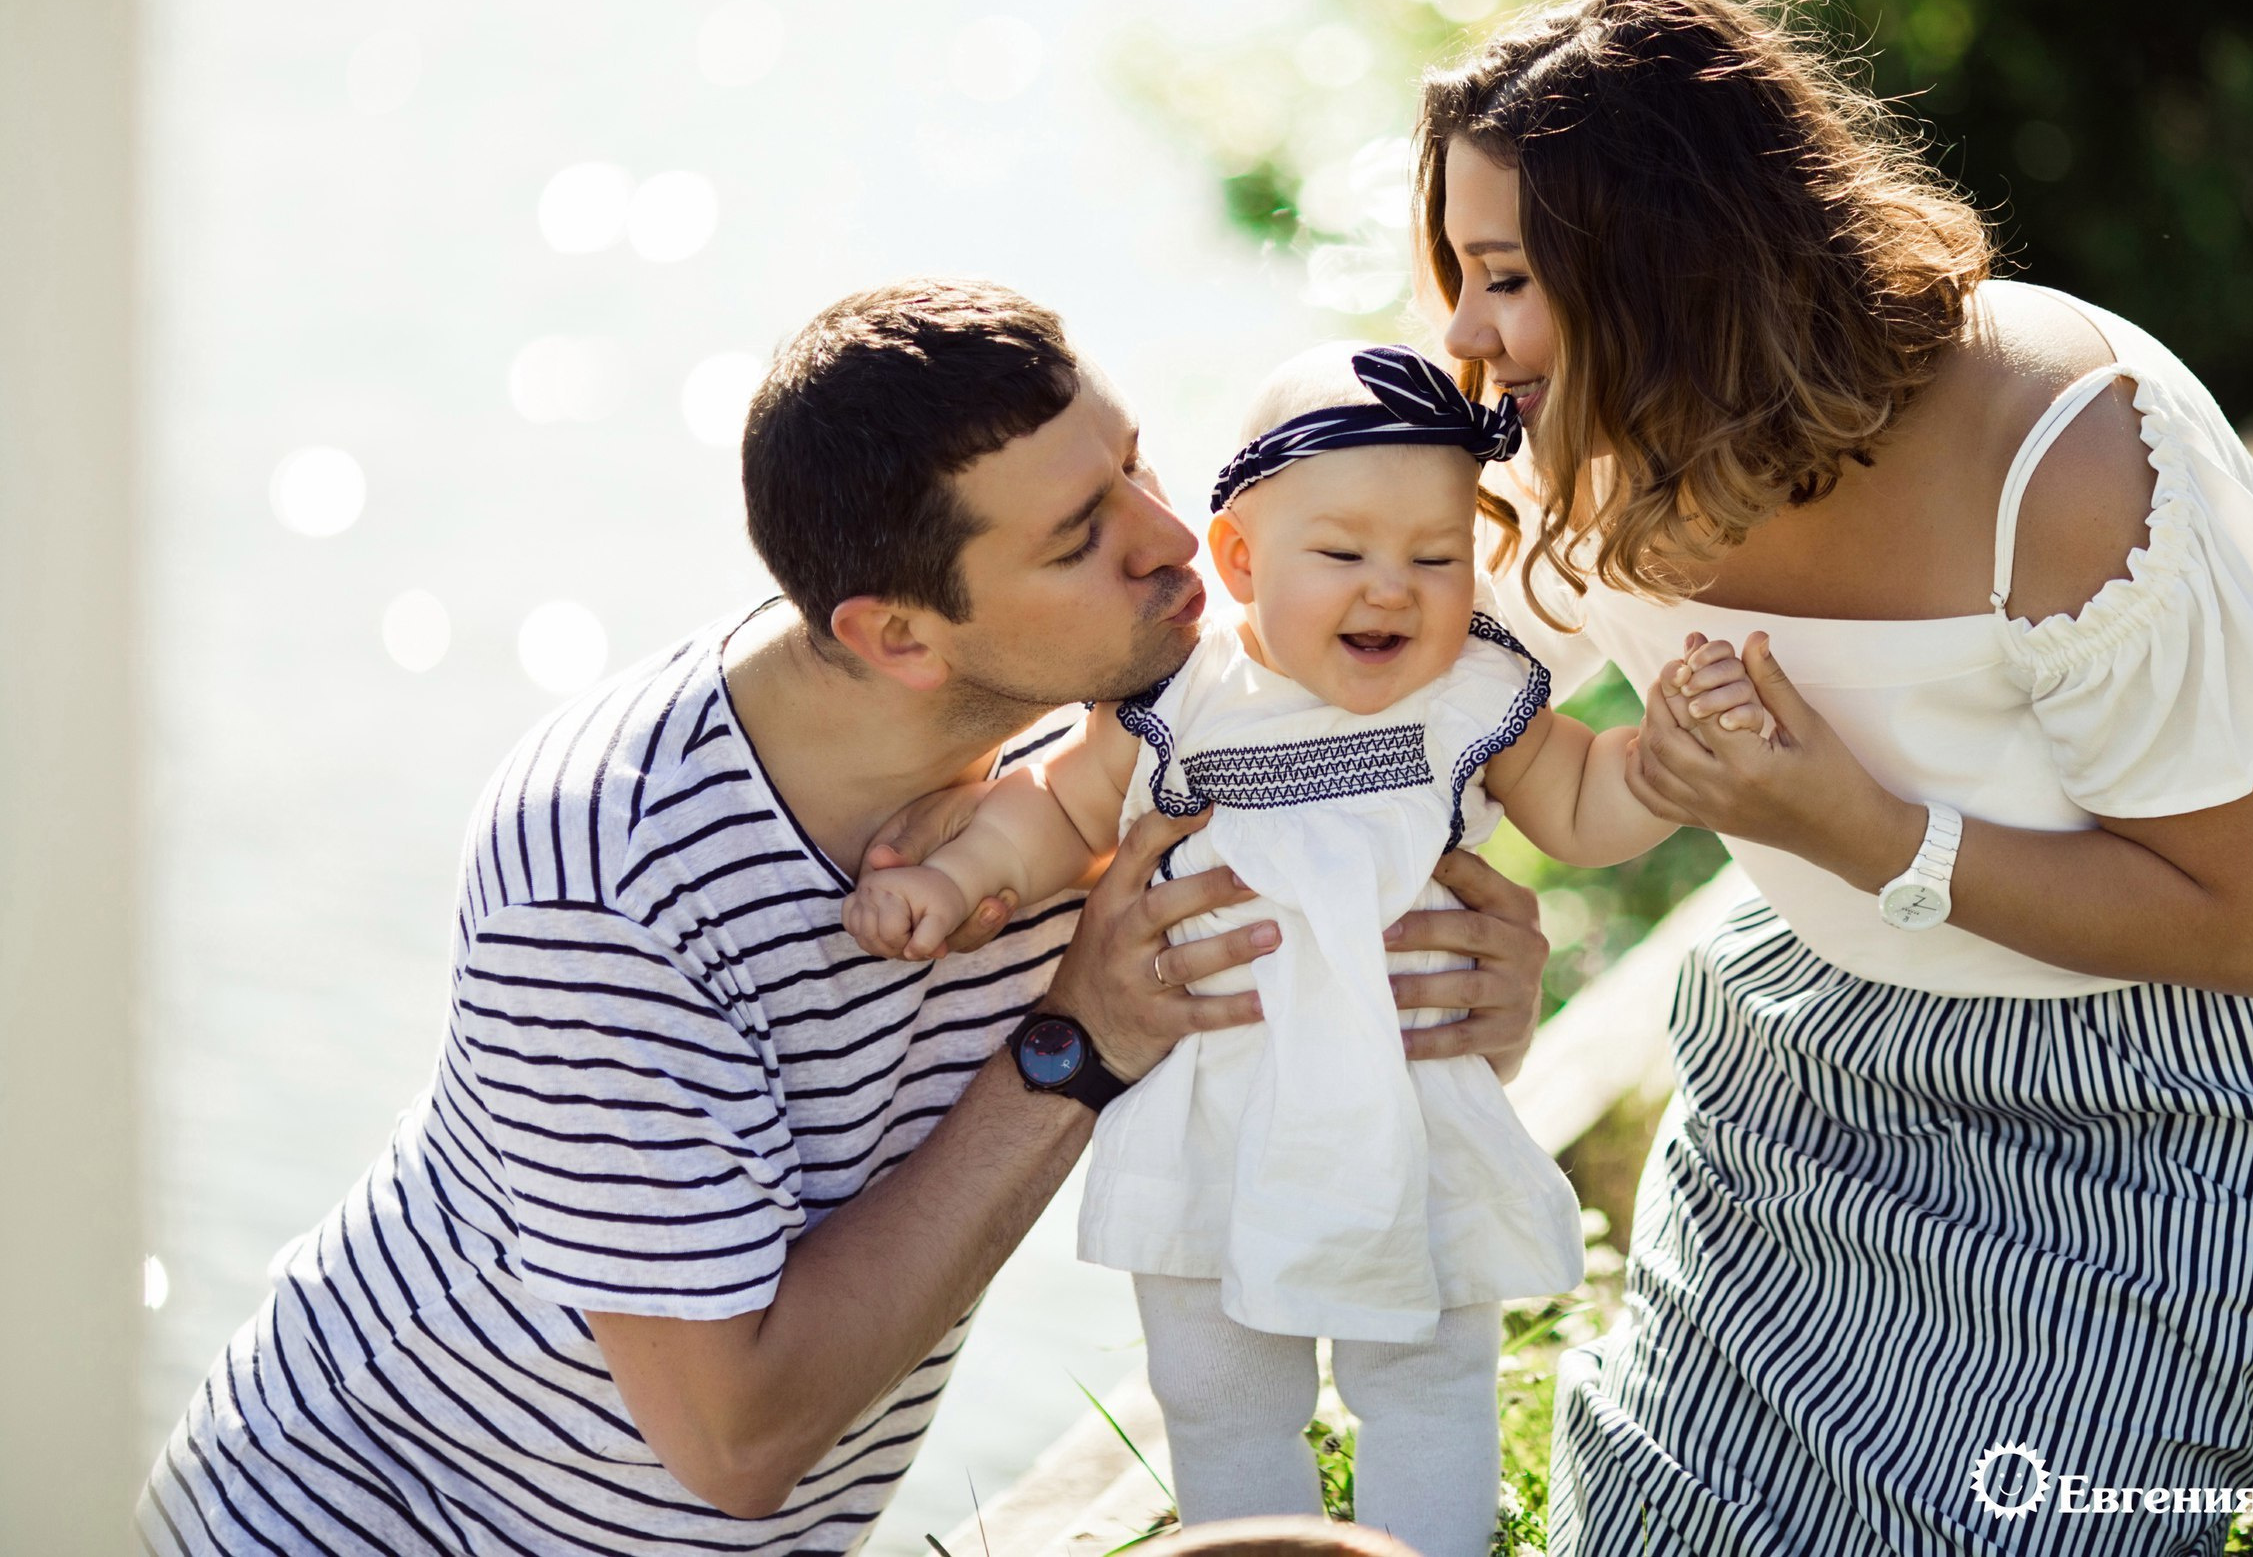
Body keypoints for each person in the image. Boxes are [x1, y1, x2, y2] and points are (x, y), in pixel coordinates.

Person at [139, 280, 1555, 1557]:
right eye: (1081, 536)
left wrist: (1455, 986)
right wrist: (1078, 1040)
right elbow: (738, 1444)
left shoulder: (1146, 720)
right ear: (895, 634)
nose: (1173, 537)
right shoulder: (610, 874)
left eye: (1133, 462)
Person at [1420, 0, 2253, 1554]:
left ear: (1667, 273)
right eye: (1456, 273)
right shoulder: (1562, 437)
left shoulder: (2060, 449)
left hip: (2191, 1089)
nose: (1463, 339)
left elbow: (2246, 928)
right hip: (1829, 1061)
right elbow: (1373, 677)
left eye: (1501, 277)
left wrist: (1863, 824)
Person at [851, 340, 1684, 1557]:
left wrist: (1671, 762)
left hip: (1405, 1096)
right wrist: (951, 874)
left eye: (1436, 557)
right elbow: (1059, 809)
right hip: (1212, 1100)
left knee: (1425, 1381)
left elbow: (1579, 801)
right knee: (1222, 1390)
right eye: (1341, 555)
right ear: (1241, 557)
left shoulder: (1468, 690)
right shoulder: (1185, 693)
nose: (1391, 590)